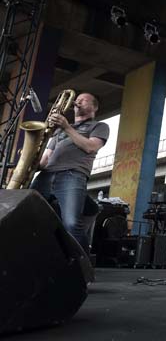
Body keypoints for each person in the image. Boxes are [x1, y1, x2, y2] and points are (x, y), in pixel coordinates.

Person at [31, 92, 109, 253]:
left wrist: (66, 127)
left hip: (72, 175)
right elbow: (46, 159)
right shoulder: (58, 131)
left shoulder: (99, 126)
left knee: (72, 224)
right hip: (46, 176)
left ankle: (83, 269)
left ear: (94, 107)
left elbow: (90, 147)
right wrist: (28, 162)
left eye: (84, 100)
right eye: (77, 99)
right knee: (28, 216)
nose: (78, 101)